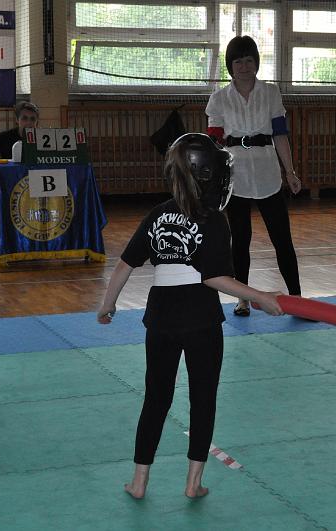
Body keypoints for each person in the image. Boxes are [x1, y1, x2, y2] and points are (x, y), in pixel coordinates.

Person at [97, 133, 284, 499]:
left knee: (156, 398)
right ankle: (193, 483)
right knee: (203, 397)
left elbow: (124, 264)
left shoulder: (158, 214)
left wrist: (108, 304)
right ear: (208, 174)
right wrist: (260, 296)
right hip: (200, 319)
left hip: (161, 319)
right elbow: (215, 277)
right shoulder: (213, 219)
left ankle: (139, 482)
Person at [205, 35, 302, 317]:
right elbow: (214, 140)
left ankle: (297, 297)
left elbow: (280, 135)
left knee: (282, 239)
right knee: (240, 241)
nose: (244, 67)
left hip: (268, 173)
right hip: (236, 177)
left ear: (257, 63)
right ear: (230, 66)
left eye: (249, 60)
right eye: (238, 62)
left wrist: (290, 172)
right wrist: (213, 179)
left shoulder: (271, 93)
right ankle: (242, 299)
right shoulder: (218, 98)